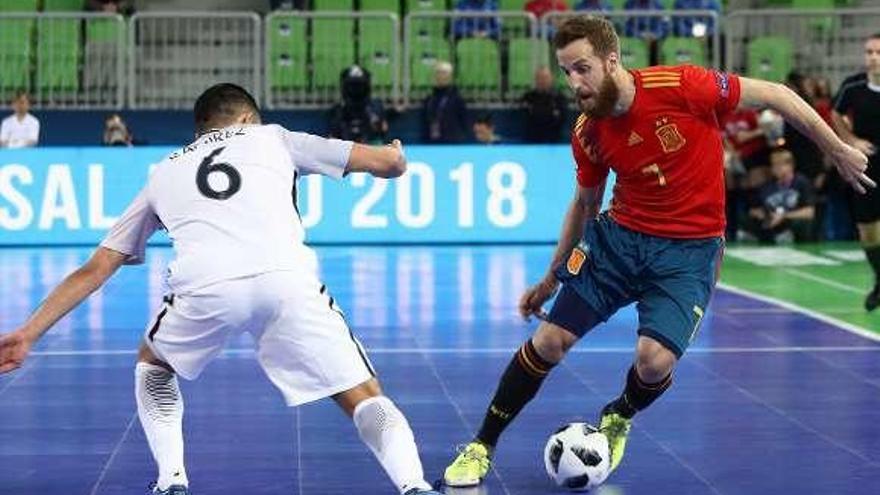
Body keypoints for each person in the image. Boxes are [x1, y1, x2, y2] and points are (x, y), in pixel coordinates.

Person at [442, 15, 873, 488]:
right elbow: (585, 203)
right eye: (566, 71)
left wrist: (835, 148)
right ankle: (482, 444)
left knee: (654, 362)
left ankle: (620, 414)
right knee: (548, 341)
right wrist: (550, 278)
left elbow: (778, 95)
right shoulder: (587, 130)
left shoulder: (683, 85)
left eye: (582, 68)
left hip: (690, 251)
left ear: (612, 60)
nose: (574, 83)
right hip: (620, 241)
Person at [0, 83, 442, 495]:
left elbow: (96, 268)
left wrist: (28, 332)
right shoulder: (276, 137)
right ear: (248, 118)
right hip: (286, 280)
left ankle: (172, 479)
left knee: (153, 365)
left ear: (200, 129)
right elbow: (388, 165)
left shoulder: (164, 170)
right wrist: (396, 154)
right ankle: (414, 485)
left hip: (205, 286)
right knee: (362, 394)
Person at [832, 32, 880, 311]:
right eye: (869, 52)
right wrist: (850, 141)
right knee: (868, 233)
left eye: (877, 52)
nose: (872, 57)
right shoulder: (853, 86)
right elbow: (836, 114)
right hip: (866, 166)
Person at [745, 148, 816, 244]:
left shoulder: (802, 183)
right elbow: (753, 210)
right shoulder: (767, 185)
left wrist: (783, 216)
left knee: (801, 223)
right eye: (773, 164)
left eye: (779, 164)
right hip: (772, 224)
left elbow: (809, 212)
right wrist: (765, 215)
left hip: (792, 225)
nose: (775, 168)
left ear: (790, 165)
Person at [328, 64, 388, 144]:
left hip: (371, 149)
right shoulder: (339, 110)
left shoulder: (375, 107)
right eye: (352, 86)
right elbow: (332, 138)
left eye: (359, 85)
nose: (356, 90)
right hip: (346, 151)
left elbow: (383, 132)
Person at [423, 61, 469, 144]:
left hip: (452, 144)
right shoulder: (429, 99)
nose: (440, 76)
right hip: (431, 143)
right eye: (438, 72)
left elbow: (464, 123)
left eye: (444, 73)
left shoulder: (457, 99)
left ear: (450, 76)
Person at [521, 66, 568, 143]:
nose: (543, 81)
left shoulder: (559, 97)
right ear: (535, 80)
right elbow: (526, 119)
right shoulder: (528, 97)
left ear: (551, 79)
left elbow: (562, 119)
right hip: (532, 139)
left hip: (555, 140)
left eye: (545, 77)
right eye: (540, 78)